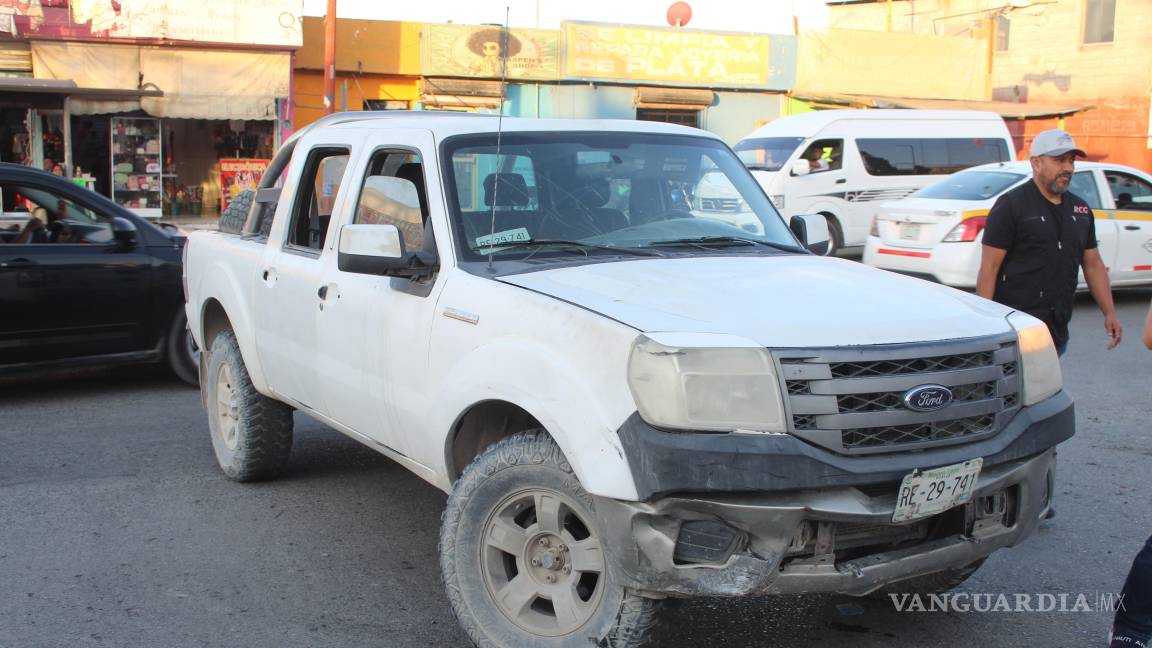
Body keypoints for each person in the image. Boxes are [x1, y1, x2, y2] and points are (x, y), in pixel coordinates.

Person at [976, 129, 1122, 354]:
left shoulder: (1080, 210)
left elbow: (1093, 265)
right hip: (1014, 328)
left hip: (1056, 328)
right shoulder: (1011, 205)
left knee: (1047, 388)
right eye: (1059, 160)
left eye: (1071, 161)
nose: (1068, 168)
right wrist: (985, 325)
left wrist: (1109, 312)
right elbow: (989, 268)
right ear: (1036, 163)